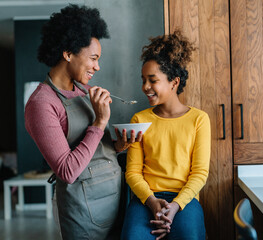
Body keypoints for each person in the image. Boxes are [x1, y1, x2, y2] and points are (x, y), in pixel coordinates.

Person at [25, 4, 140, 240]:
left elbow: (97, 148)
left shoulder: (84, 90)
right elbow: (67, 171)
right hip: (84, 213)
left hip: (116, 199)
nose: (97, 67)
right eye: (93, 59)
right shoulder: (41, 104)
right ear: (67, 53)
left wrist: (118, 146)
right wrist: (99, 122)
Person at [121, 30, 211, 240]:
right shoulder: (138, 120)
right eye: (143, 80)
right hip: (146, 200)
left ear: (174, 82)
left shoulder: (199, 119)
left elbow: (199, 174)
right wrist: (152, 203)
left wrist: (176, 206)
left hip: (185, 201)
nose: (145, 87)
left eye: (152, 80)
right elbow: (132, 173)